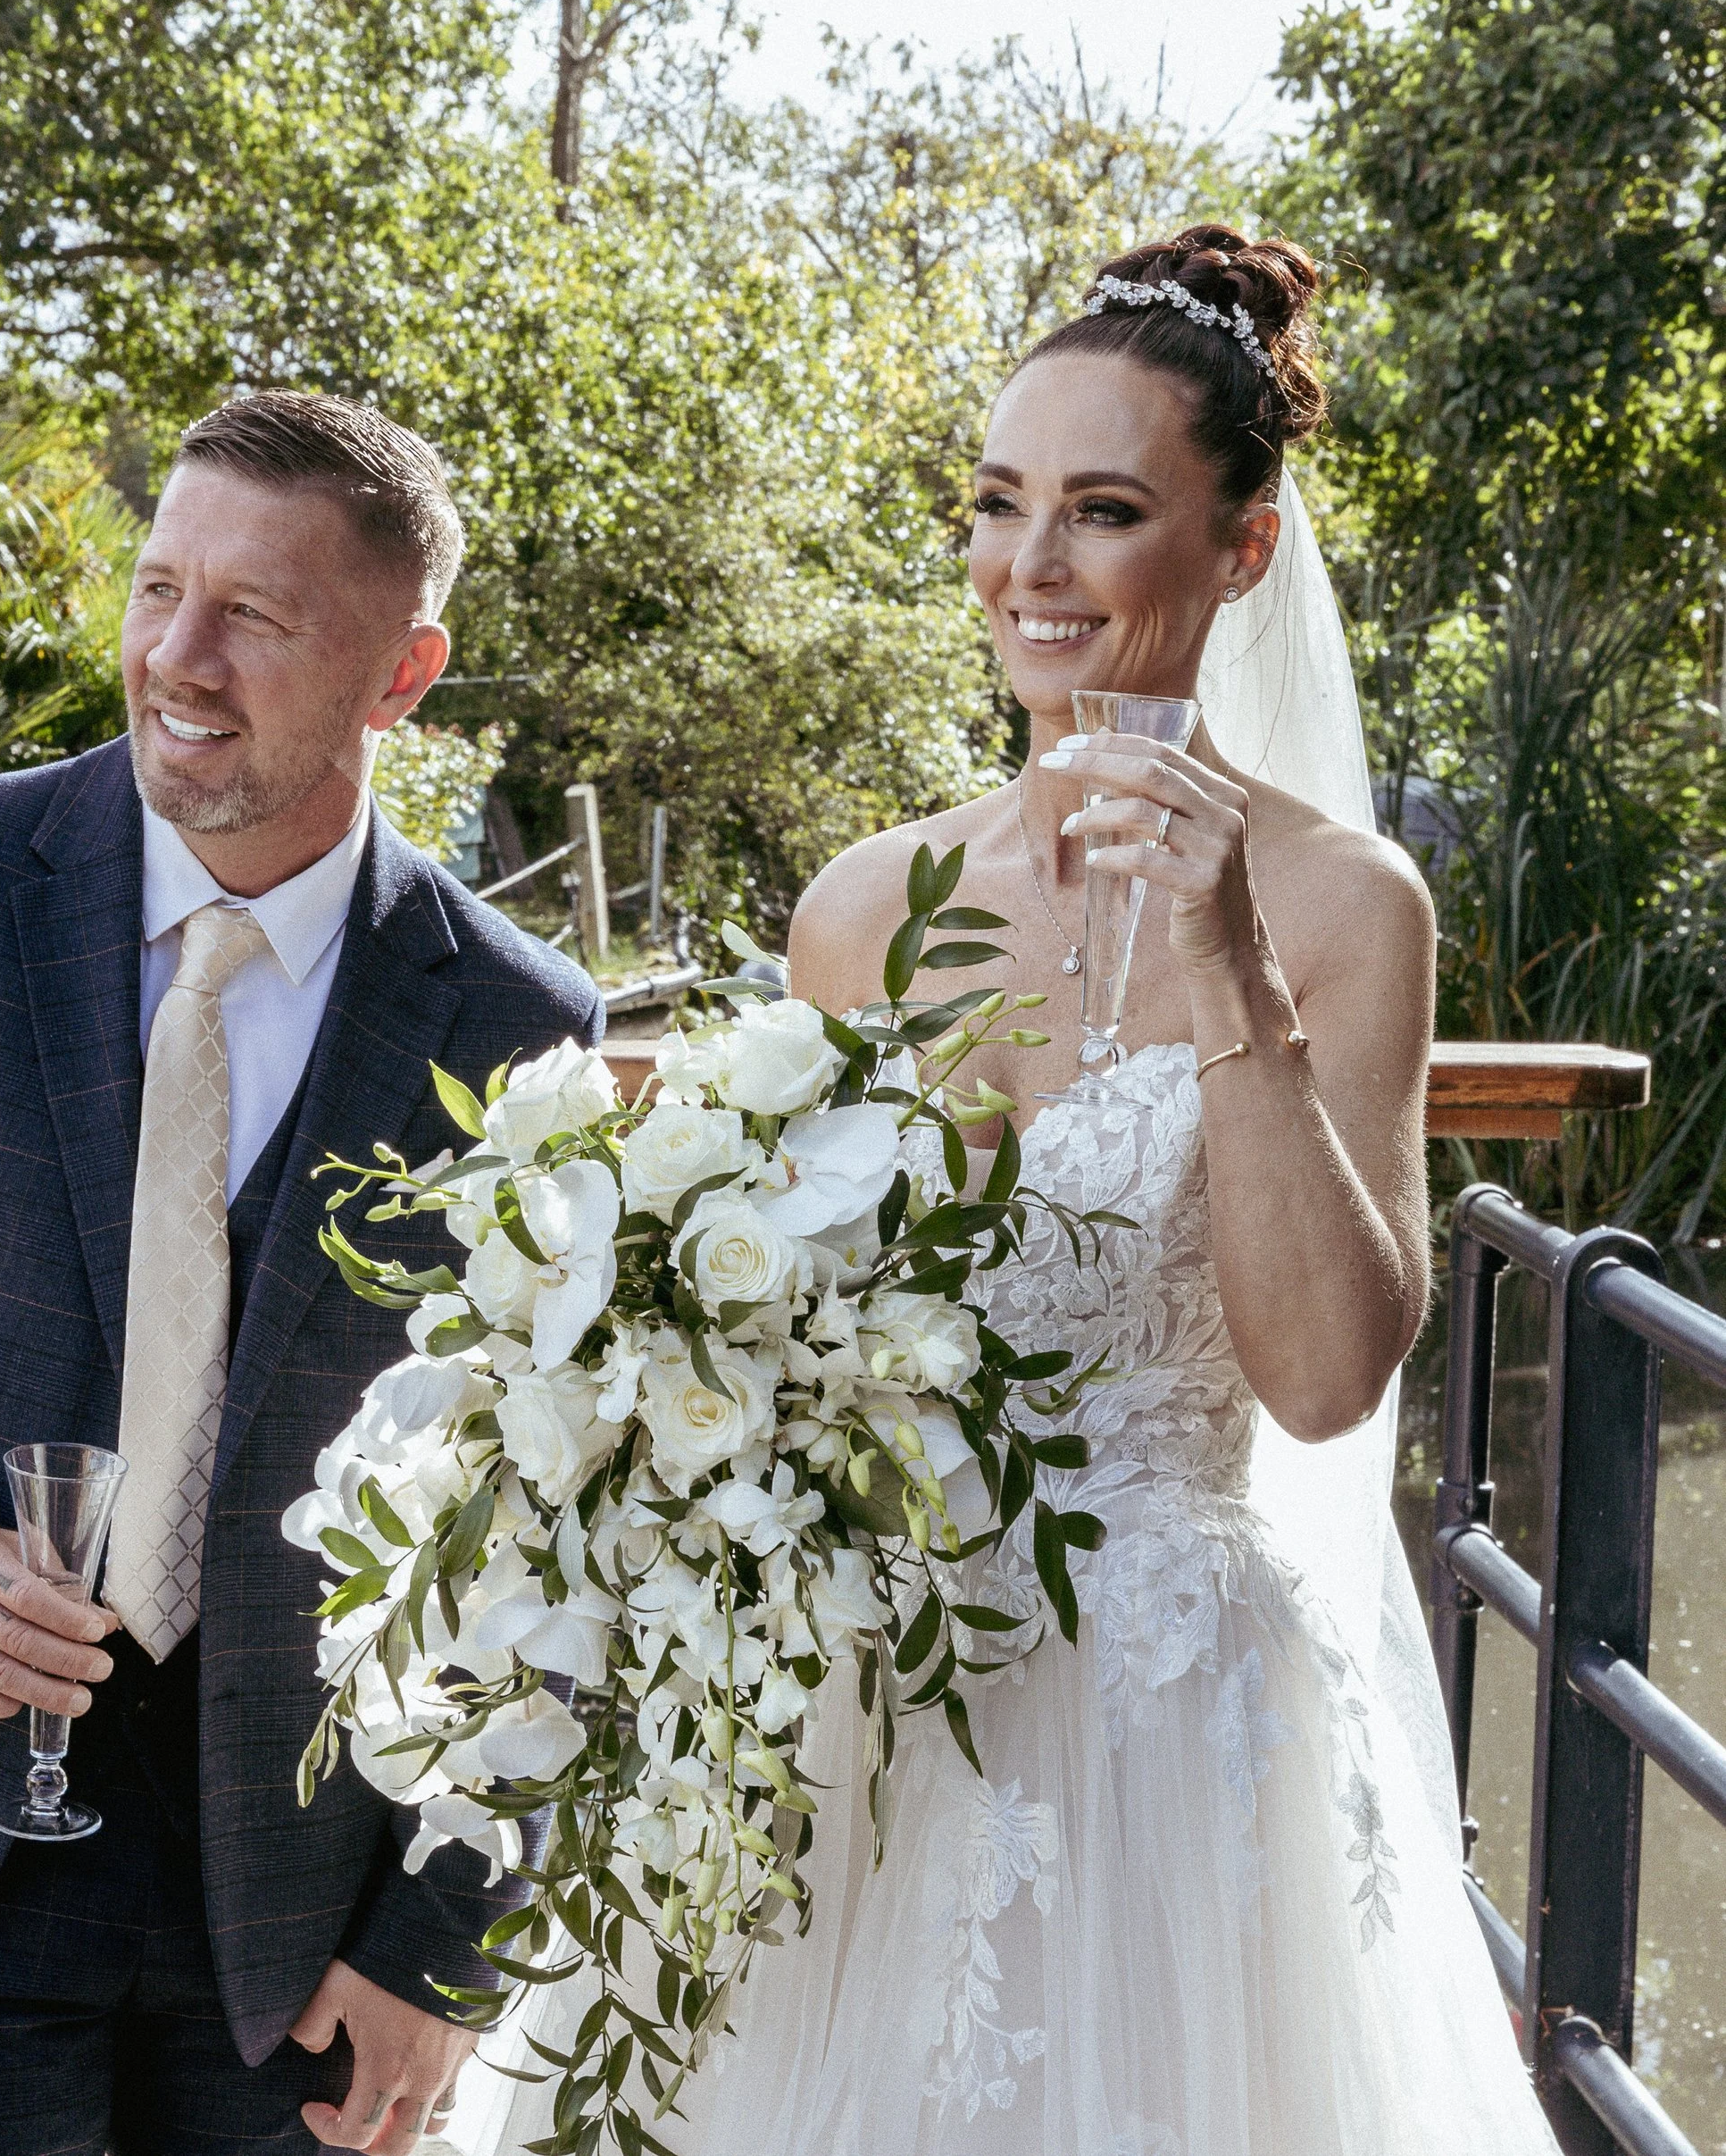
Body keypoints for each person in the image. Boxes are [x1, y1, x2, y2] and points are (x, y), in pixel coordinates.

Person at [467, 228, 1557, 2154]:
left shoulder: (1340, 905)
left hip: (1171, 1735)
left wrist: (1226, 967)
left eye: (1101, 511)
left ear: (1241, 548)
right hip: (863, 1711)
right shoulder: (863, 909)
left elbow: (1320, 1385)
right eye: (995, 505)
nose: (1026, 568)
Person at [0, 391, 603, 2156]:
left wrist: (444, 1950)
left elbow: (560, 1516)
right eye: (161, 589)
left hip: (303, 1911)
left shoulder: (517, 1023)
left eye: (256, 616)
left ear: (401, 674)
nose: (178, 656)